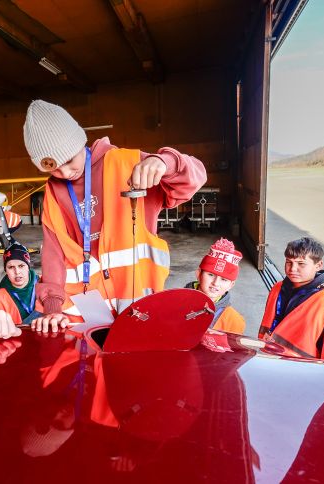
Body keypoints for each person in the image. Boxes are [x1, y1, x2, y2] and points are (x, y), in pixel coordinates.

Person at [24, 99, 207, 332]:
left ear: (81, 142)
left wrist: (164, 162)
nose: (65, 173)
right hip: (85, 316)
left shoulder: (126, 164)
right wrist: (52, 306)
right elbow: (53, 252)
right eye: (53, 168)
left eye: (69, 161)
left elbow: (196, 175)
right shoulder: (54, 190)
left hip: (139, 307)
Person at [258, 237, 324, 357]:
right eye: (288, 262)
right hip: (267, 353)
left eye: (301, 264)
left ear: (318, 265)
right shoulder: (277, 288)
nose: (292, 269)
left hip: (302, 366)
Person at [185, 238, 246, 334]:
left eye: (224, 279)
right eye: (211, 275)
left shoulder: (234, 321)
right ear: (198, 274)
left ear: (231, 285)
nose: (216, 283)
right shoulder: (174, 303)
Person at [0, 243, 44, 325]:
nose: (17, 272)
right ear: (6, 270)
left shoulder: (45, 283)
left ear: (28, 267)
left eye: (21, 266)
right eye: (11, 267)